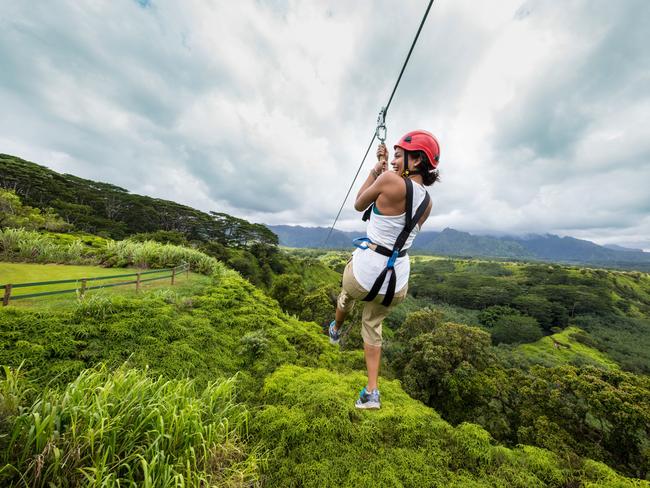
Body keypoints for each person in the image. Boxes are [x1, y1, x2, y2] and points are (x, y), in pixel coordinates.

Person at [329, 130, 441, 409]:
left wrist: (374, 172)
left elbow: (359, 203)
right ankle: (371, 392)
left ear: (416, 161)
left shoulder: (389, 179)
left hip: (365, 275)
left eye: (399, 156)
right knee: (372, 324)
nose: (393, 161)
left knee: (347, 294)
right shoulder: (427, 202)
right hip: (396, 284)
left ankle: (336, 329)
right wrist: (385, 166)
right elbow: (400, 200)